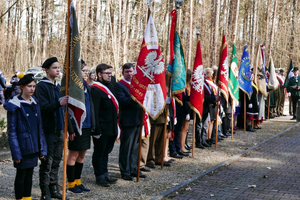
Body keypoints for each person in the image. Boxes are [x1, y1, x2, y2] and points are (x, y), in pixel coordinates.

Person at [4, 74, 47, 200]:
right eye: (29, 86)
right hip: (23, 147)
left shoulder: (35, 103)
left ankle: (27, 198)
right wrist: (16, 154)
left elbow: (39, 129)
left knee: (29, 175)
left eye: (34, 86)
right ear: (22, 87)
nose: (32, 89)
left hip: (34, 146)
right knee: (21, 175)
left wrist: (41, 148)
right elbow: (12, 132)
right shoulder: (15, 105)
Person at [34, 57, 69, 200]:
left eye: (59, 67)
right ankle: (45, 192)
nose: (58, 70)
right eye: (55, 67)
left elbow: (64, 111)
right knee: (47, 162)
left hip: (59, 128)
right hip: (49, 130)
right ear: (47, 70)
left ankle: (53, 188)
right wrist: (59, 103)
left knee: (56, 160)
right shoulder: (42, 86)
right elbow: (44, 108)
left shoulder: (57, 86)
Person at [66, 60, 95, 194]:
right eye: (83, 71)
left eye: (87, 71)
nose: (86, 73)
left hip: (87, 125)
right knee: (73, 154)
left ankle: (78, 181)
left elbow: (90, 106)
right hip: (77, 126)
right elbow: (68, 110)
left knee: (82, 154)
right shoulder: (72, 86)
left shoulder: (86, 85)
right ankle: (71, 184)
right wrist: (70, 129)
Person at [115, 63, 147, 181]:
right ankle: (125, 170)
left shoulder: (137, 85)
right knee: (126, 147)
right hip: (127, 120)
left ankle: (134, 168)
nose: (129, 74)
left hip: (138, 118)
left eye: (131, 71)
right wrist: (135, 96)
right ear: (123, 73)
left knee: (135, 147)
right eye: (127, 72)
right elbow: (123, 101)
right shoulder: (119, 85)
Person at [91, 63, 118, 187]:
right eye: (107, 73)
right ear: (99, 74)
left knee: (106, 152)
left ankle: (105, 173)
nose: (109, 76)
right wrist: (96, 129)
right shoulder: (95, 89)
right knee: (99, 152)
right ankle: (100, 175)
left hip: (111, 126)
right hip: (102, 127)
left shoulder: (110, 87)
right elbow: (94, 111)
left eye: (110, 73)